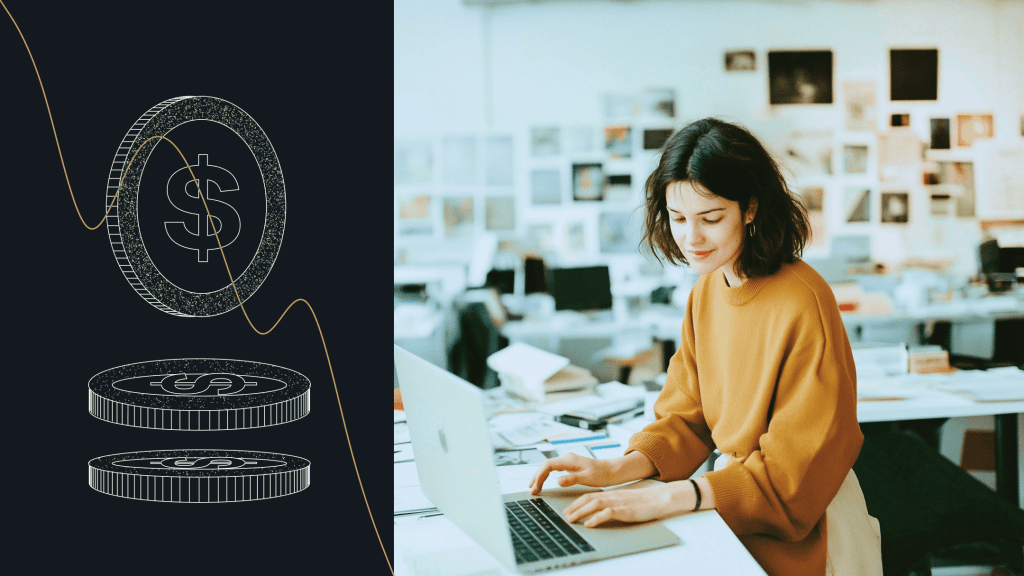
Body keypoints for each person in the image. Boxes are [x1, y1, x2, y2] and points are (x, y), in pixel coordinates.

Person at [529, 117, 881, 576]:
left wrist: (672, 497)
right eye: (678, 219)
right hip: (729, 504)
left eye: (711, 219)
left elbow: (795, 470)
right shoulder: (706, 292)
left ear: (750, 208)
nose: (691, 238)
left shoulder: (803, 299)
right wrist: (618, 470)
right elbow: (686, 418)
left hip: (804, 526)